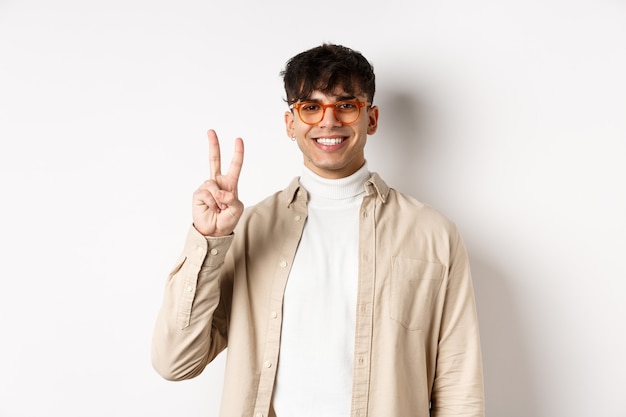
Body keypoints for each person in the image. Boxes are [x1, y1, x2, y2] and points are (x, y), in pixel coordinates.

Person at [152, 44, 484, 417]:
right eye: (310, 107)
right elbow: (175, 362)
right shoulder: (248, 231)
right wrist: (209, 240)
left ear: (370, 119)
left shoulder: (433, 235)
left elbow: (459, 388)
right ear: (291, 123)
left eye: (346, 105)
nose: (328, 121)